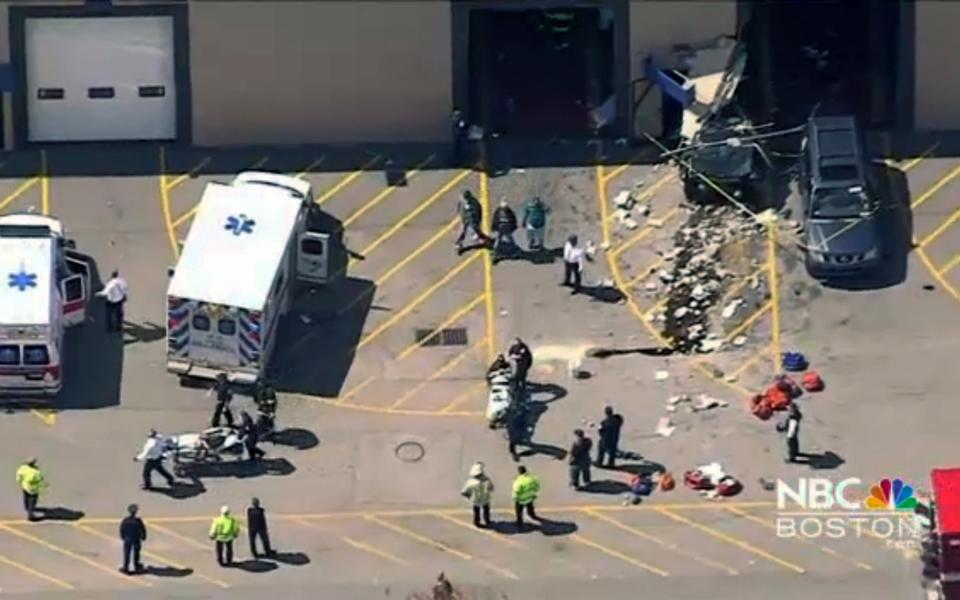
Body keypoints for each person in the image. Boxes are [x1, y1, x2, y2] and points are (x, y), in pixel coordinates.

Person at [461, 462, 494, 528]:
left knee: (476, 512)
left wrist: (469, 496)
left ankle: (477, 522)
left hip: (475, 500)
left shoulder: (471, 482)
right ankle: (487, 520)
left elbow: (464, 492)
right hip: (485, 499)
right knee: (486, 510)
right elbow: (491, 488)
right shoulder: (486, 480)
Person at [119, 504, 147, 575]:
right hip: (136, 539)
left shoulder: (125, 520)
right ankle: (136, 566)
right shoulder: (138, 520)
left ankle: (126, 568)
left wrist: (123, 537)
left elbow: (122, 529)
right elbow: (143, 529)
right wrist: (143, 537)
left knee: (127, 553)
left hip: (128, 539)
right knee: (136, 553)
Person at [491, 198, 518, 263]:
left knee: (500, 239)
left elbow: (495, 219)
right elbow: (513, 219)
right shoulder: (508, 210)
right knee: (508, 239)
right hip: (506, 227)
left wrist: (494, 226)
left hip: (502, 227)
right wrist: (513, 226)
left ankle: (496, 252)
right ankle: (512, 252)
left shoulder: (499, 210)